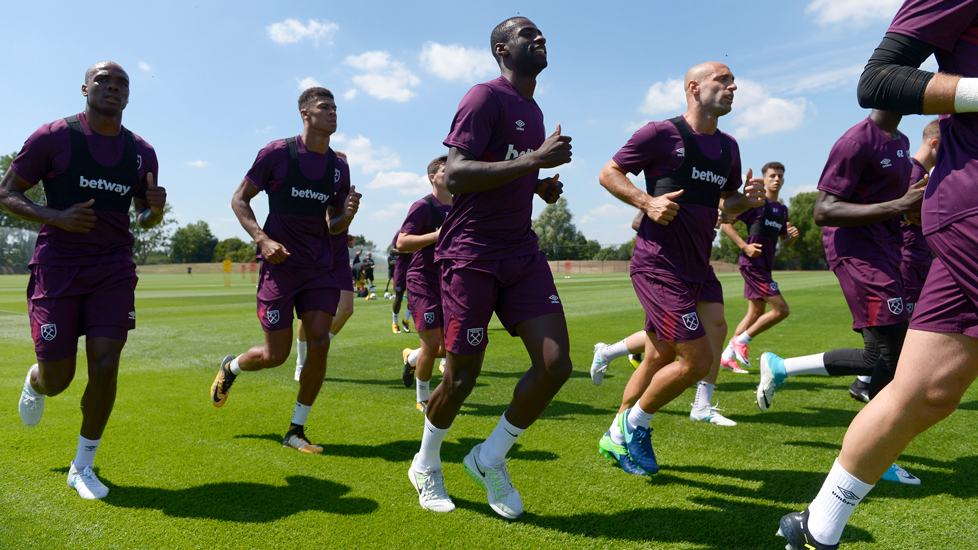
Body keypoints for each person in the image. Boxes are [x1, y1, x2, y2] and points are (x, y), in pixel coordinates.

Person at [779, 3, 978, 546]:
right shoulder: (857, 140)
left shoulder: (897, 147)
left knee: (923, 388)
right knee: (880, 360)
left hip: (905, 255)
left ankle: (819, 525)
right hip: (874, 252)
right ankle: (774, 366)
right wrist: (897, 211)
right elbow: (823, 208)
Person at [407, 16, 572, 519]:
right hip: (471, 257)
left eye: (541, 33)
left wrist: (537, 184)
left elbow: (509, 169)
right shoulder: (483, 97)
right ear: (502, 48)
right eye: (527, 34)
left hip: (520, 253)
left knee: (555, 365)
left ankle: (490, 455)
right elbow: (455, 172)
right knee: (461, 379)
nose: (540, 38)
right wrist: (534, 162)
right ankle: (426, 463)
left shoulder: (534, 110)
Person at [4, 61, 165, 499]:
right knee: (59, 378)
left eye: (121, 84)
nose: (112, 88)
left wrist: (155, 209)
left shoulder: (142, 152)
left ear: (128, 96)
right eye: (103, 82)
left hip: (113, 269)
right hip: (57, 267)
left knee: (106, 362)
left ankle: (83, 465)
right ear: (85, 89)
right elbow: (6, 192)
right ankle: (36, 380)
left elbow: (145, 218)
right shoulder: (53, 136)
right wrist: (55, 215)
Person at [595, 61, 764, 476]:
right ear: (694, 87)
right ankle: (631, 427)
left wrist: (750, 201)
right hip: (659, 265)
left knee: (659, 354)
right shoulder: (660, 133)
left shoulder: (729, 147)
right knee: (696, 361)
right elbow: (608, 173)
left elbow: (727, 204)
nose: (732, 87)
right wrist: (645, 201)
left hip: (698, 267)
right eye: (722, 81)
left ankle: (619, 430)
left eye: (732, 82)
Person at [211, 87, 360, 455]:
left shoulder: (339, 166)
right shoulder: (277, 153)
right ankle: (232, 367)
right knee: (274, 355)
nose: (333, 113)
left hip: (320, 268)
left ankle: (296, 429)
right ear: (305, 114)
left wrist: (348, 214)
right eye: (325, 108)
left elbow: (335, 225)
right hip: (280, 267)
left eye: (335, 108)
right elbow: (239, 199)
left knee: (319, 342)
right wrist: (262, 240)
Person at [755, 110, 923, 414]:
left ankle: (780, 368)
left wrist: (910, 210)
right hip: (858, 252)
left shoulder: (902, 141)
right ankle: (873, 454)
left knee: (878, 355)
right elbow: (823, 211)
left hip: (887, 250)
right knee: (894, 349)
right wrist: (900, 205)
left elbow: (889, 203)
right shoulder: (856, 141)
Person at [718, 162, 799, 373]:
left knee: (755, 313)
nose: (777, 179)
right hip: (752, 265)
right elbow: (726, 224)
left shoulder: (782, 210)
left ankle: (726, 357)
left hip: (765, 266)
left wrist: (791, 238)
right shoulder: (755, 204)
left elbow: (785, 242)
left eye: (780, 176)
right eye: (772, 176)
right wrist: (744, 246)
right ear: (764, 179)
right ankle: (741, 341)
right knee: (781, 310)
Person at [295, 151, 357, 382]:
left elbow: (338, 219)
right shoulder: (318, 187)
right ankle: (302, 362)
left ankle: (318, 348)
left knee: (347, 309)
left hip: (339, 256)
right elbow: (324, 220)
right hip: (318, 255)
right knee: (307, 314)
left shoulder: (343, 191)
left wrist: (347, 234)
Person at [397, 156, 452, 408]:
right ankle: (423, 398)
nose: (452, 172)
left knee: (446, 347)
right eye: (445, 170)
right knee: (432, 344)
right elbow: (401, 242)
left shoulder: (463, 204)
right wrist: (436, 235)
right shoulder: (423, 206)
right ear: (433, 177)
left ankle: (410, 358)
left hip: (451, 281)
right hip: (423, 280)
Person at [900, 119, 941, 317]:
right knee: (905, 329)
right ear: (935, 143)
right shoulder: (913, 172)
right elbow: (910, 214)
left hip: (921, 258)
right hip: (908, 259)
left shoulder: (925, 174)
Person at [389, 243, 412, 334]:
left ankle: (406, 320)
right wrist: (409, 251)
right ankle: (395, 323)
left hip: (415, 269)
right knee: (398, 298)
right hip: (401, 270)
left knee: (413, 299)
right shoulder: (401, 233)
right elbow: (392, 251)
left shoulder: (421, 232)